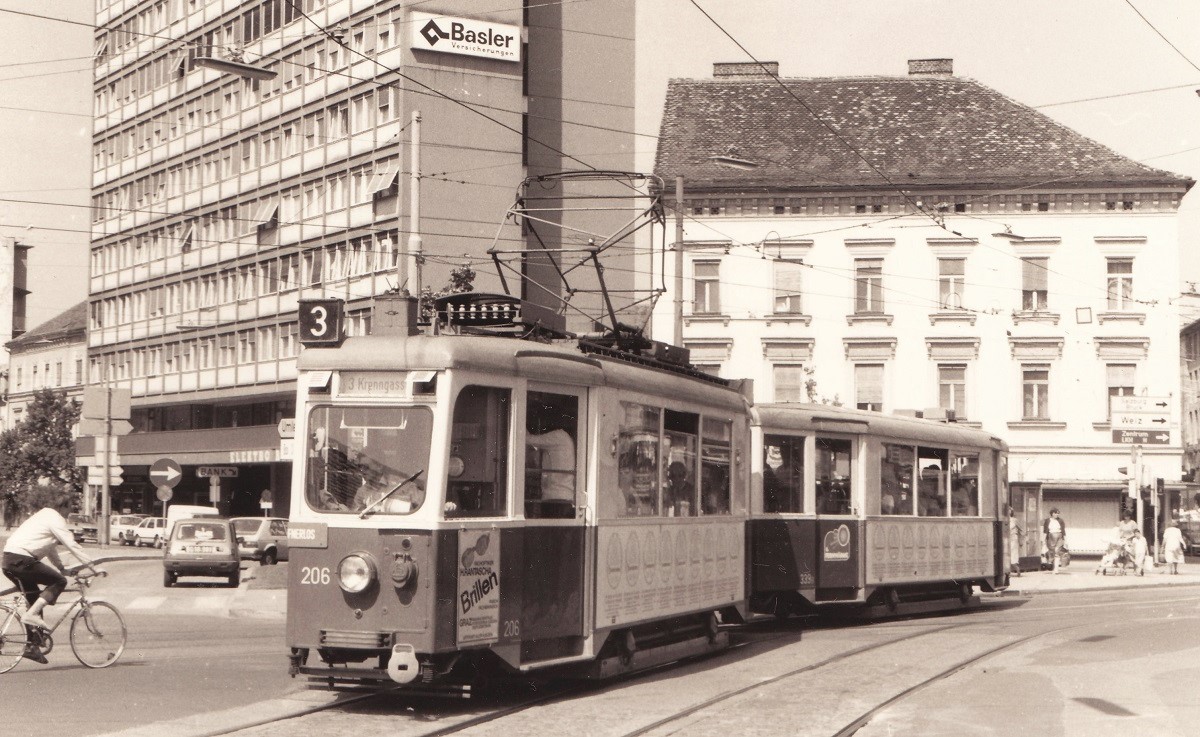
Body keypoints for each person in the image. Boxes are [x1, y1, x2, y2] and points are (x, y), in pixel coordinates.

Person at [1, 495, 98, 664]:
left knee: (35, 598)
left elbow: (51, 548)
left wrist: (62, 568)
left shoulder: (44, 516)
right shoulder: (56, 518)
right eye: (70, 508)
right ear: (64, 506)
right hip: (22, 559)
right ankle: (31, 617)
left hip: (9, 560)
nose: (70, 512)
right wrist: (92, 566)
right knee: (59, 582)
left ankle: (32, 647)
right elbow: (71, 544)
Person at [1043, 507, 1066, 574]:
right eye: (1056, 513)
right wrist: (1043, 540)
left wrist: (1066, 540)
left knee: (1057, 552)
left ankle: (1056, 569)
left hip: (1059, 536)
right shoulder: (1047, 521)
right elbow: (1045, 531)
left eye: (1058, 513)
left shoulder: (1060, 521)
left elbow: (1063, 531)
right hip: (1050, 537)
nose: (1057, 515)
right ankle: (1053, 566)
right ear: (1052, 514)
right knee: (1052, 552)